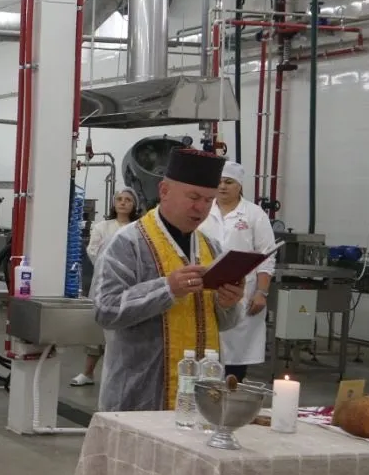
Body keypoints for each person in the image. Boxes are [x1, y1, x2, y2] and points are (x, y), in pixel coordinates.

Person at [91, 148, 247, 413]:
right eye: (193, 197)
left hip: (200, 393)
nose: (201, 207)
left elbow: (225, 323)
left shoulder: (211, 248)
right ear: (164, 191)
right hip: (139, 391)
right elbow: (105, 310)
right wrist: (167, 288)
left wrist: (228, 303)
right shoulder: (127, 243)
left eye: (209, 200)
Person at [202, 161, 276, 381]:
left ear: (240, 185)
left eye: (229, 182)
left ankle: (233, 388)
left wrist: (261, 292)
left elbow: (267, 255)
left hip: (243, 293)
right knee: (206, 352)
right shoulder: (204, 210)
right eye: (219, 182)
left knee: (236, 353)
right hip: (206, 289)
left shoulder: (254, 214)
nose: (222, 186)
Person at [71, 188, 141, 387]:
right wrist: (115, 266)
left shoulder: (139, 228)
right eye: (119, 199)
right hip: (104, 283)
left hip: (131, 285)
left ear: (134, 205)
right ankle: (88, 373)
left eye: (128, 200)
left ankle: (122, 377)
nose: (123, 203)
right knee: (98, 331)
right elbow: (93, 251)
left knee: (126, 332)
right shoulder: (102, 227)